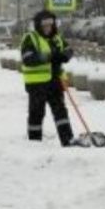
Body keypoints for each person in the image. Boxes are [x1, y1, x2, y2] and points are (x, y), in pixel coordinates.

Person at [20, 10, 76, 146]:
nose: (48, 27)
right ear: (38, 25)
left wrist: (64, 56)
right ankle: (34, 142)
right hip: (37, 84)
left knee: (61, 112)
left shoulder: (57, 38)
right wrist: (48, 57)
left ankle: (67, 140)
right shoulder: (30, 38)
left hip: (55, 81)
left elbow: (68, 50)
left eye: (50, 24)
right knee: (37, 113)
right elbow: (27, 58)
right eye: (44, 25)